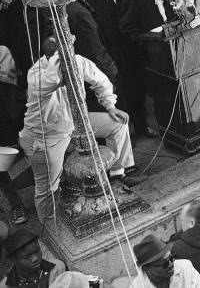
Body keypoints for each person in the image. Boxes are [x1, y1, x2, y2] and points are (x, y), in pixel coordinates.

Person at [20, 35, 139, 222]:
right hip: (49, 133)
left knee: (117, 123)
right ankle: (49, 227)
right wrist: (62, 65)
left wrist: (110, 106)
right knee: (46, 187)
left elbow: (101, 80)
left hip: (77, 122)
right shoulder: (37, 74)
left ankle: (118, 175)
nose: (72, 56)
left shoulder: (76, 60)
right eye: (65, 55)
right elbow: (51, 87)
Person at [0, 229, 65, 287]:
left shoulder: (57, 268)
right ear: (13, 260)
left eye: (37, 251)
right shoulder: (6, 286)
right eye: (26, 257)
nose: (35, 258)